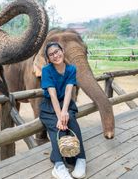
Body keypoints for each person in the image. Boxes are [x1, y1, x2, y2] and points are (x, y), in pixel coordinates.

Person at [39, 42, 86, 179]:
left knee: (71, 122)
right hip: (49, 106)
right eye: (51, 54)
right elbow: (52, 94)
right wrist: (60, 117)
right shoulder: (46, 70)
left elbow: (68, 91)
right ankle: (59, 166)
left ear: (62, 51)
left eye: (57, 51)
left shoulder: (71, 69)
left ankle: (81, 159)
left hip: (65, 103)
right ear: (48, 58)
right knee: (56, 127)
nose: (55, 55)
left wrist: (64, 112)